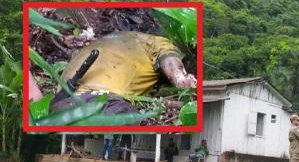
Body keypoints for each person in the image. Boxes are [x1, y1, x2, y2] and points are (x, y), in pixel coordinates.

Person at [46, 31, 196, 115]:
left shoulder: (104, 41)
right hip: (100, 99)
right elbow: (172, 64)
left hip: (60, 101)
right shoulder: (156, 42)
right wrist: (183, 81)